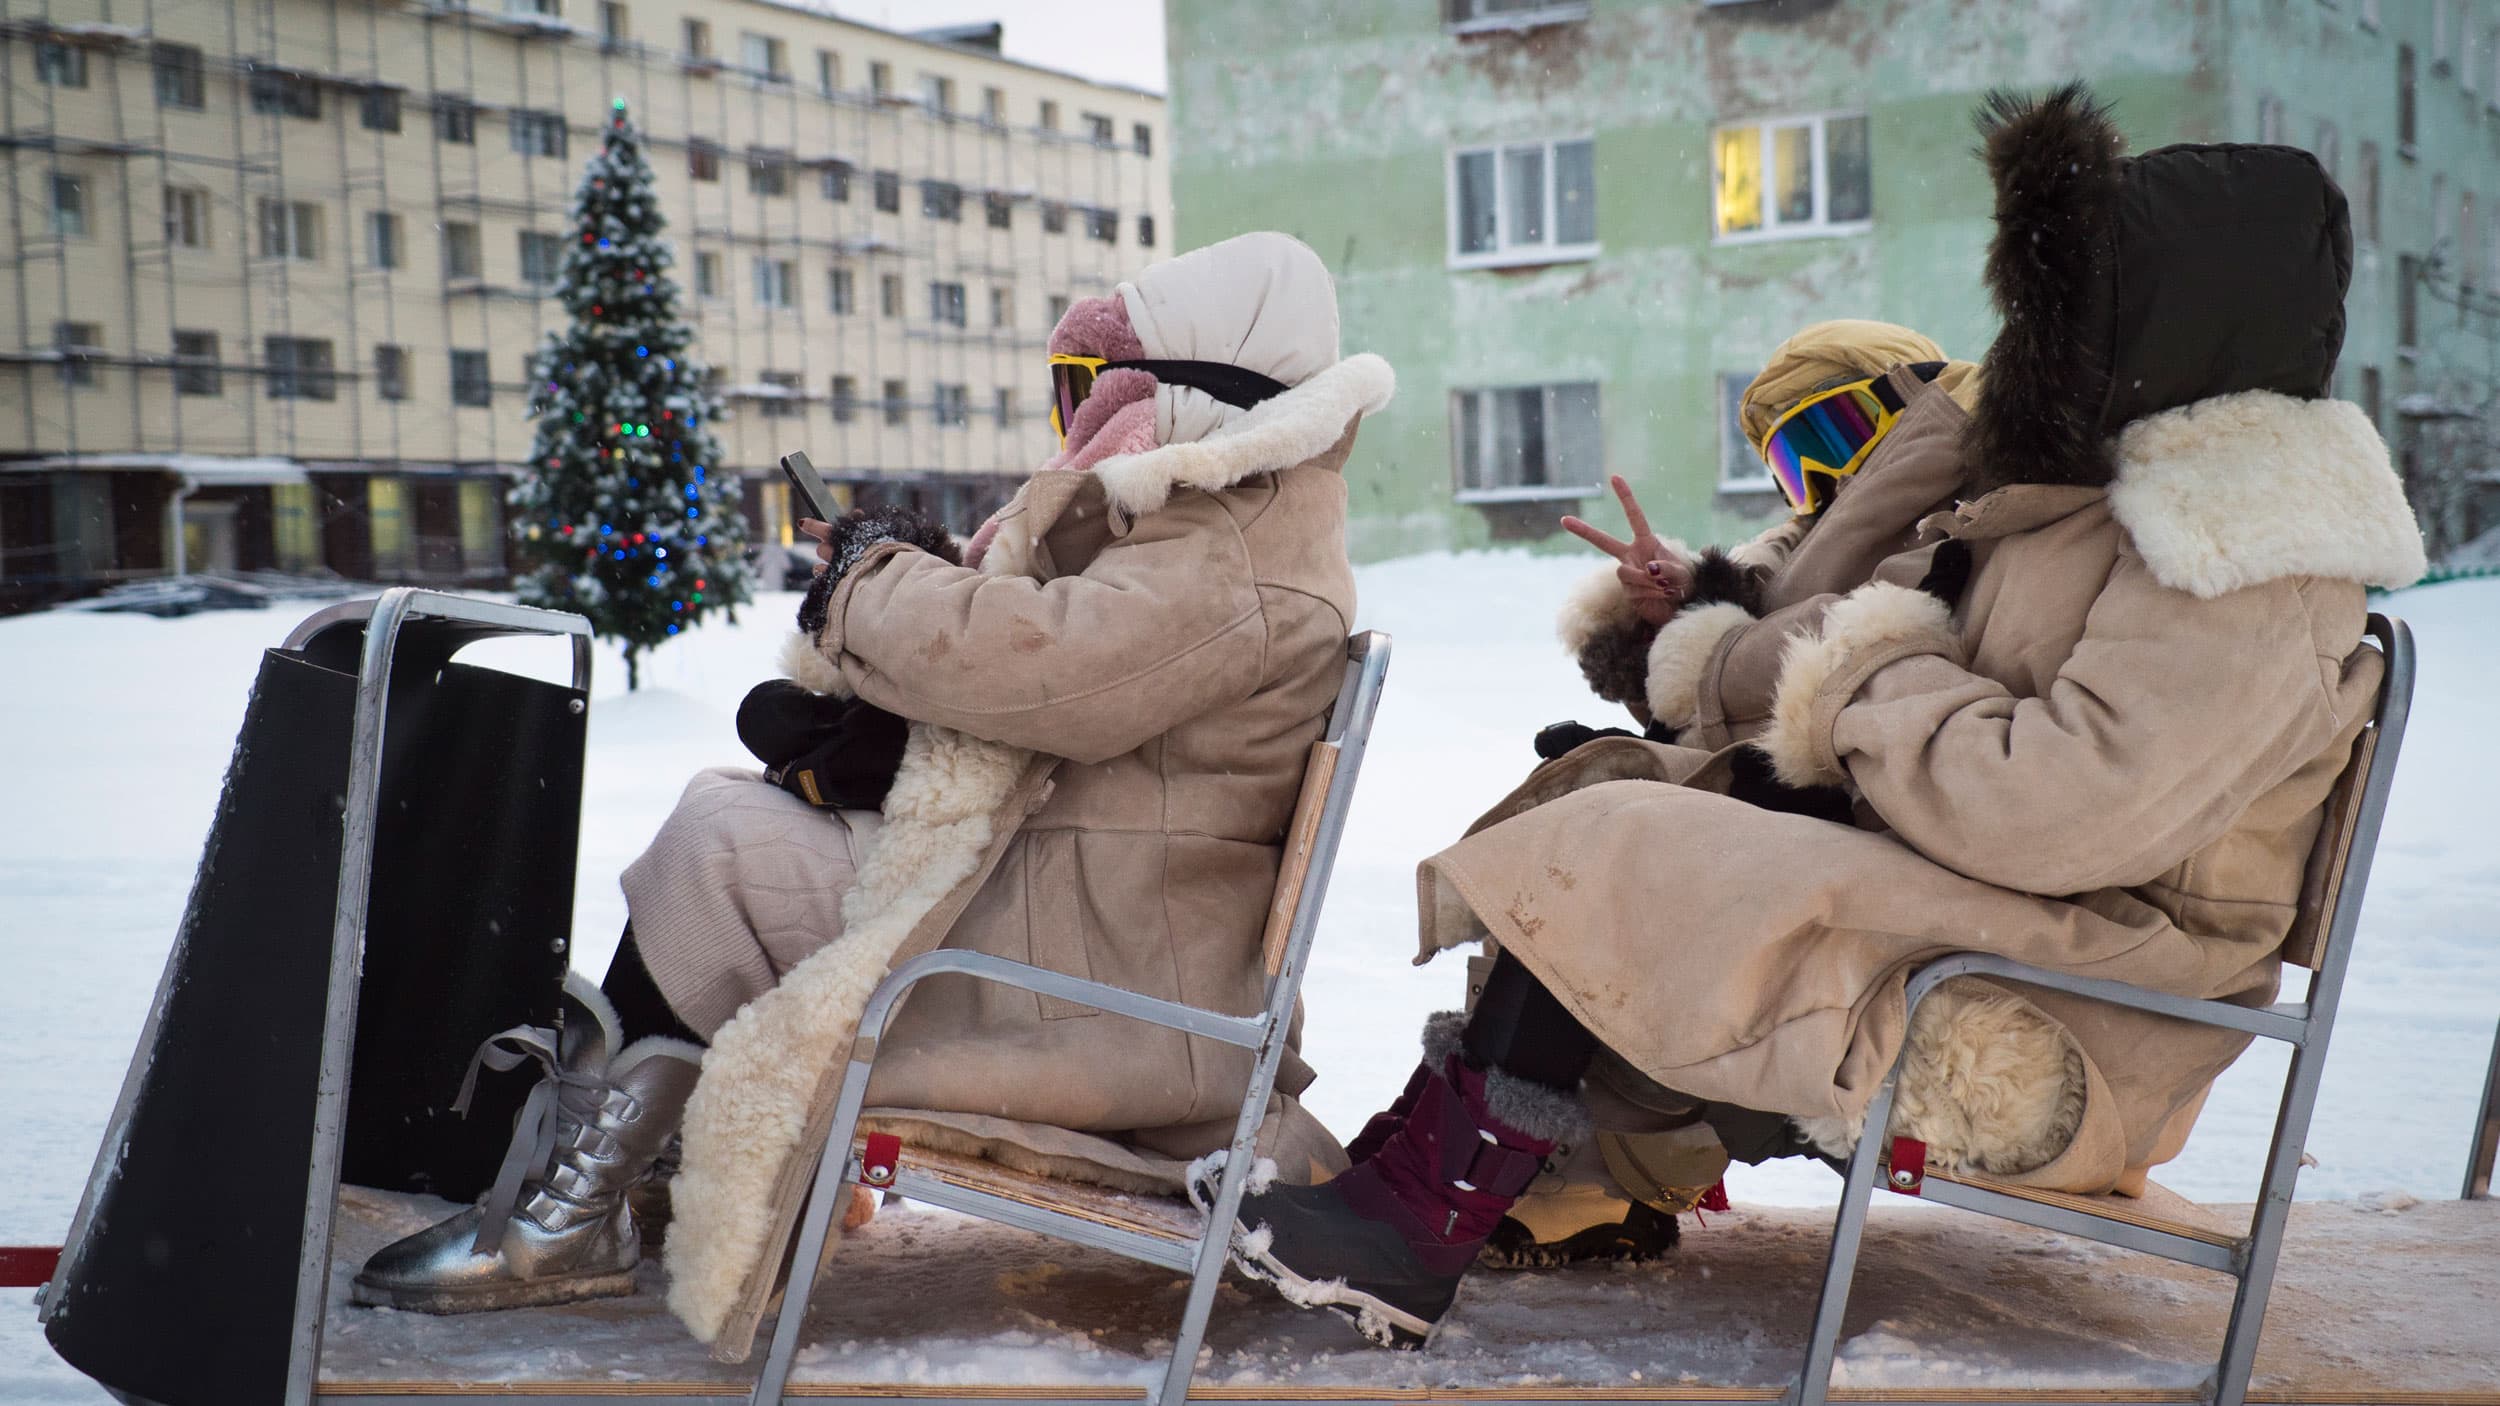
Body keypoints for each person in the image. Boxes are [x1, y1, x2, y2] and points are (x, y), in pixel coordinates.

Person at [1214, 82, 2424, 1350]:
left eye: (2064, 307)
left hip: (2096, 993)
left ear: (2170, 321)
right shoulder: (2084, 508)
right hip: (2028, 913)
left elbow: (2061, 803)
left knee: (1633, 844)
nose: (2032, 337)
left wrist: (1868, 674)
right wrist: (1786, 679)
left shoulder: (2246, 553)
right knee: (1629, 793)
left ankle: (1413, 1224)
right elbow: (1876, 632)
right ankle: (1424, 1177)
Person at [356, 232, 1396, 1364]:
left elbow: (1049, 669)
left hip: (1102, 988)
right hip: (1087, 921)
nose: (1080, 422)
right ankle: (627, 1171)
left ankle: (574, 1211)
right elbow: (1072, 657)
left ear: (1194, 390)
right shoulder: (1232, 522)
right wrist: (910, 582)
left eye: (1093, 388)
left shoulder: (1237, 547)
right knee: (734, 823)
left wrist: (870, 580)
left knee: (720, 846)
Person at [1476, 321, 1988, 1267]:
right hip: (1800, 817)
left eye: (1835, 436)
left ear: (1907, 412)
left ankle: (1568, 1161)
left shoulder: (1949, 530)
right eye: (1798, 460)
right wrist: (1680, 606)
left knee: (1625, 868)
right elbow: (1747, 641)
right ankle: (1546, 1155)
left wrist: (1707, 647)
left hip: (1864, 839)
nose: (1824, 477)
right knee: (1577, 833)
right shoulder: (1809, 542)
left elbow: (1806, 669)